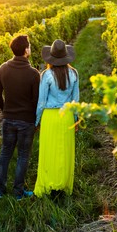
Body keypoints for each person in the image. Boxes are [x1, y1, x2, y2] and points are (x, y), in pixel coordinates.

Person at [0, 35, 40, 201]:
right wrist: (36, 120)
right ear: (26, 50)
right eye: (29, 46)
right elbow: (36, 101)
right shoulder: (34, 74)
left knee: (5, 153)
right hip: (26, 121)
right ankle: (18, 193)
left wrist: (5, 109)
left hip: (9, 119)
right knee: (23, 156)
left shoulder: (3, 68)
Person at [34, 39, 79, 198]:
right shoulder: (74, 74)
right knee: (64, 152)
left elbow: (41, 102)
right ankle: (63, 185)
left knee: (49, 152)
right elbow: (76, 101)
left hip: (50, 117)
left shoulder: (46, 75)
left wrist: (37, 121)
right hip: (66, 115)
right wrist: (76, 119)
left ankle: (49, 185)